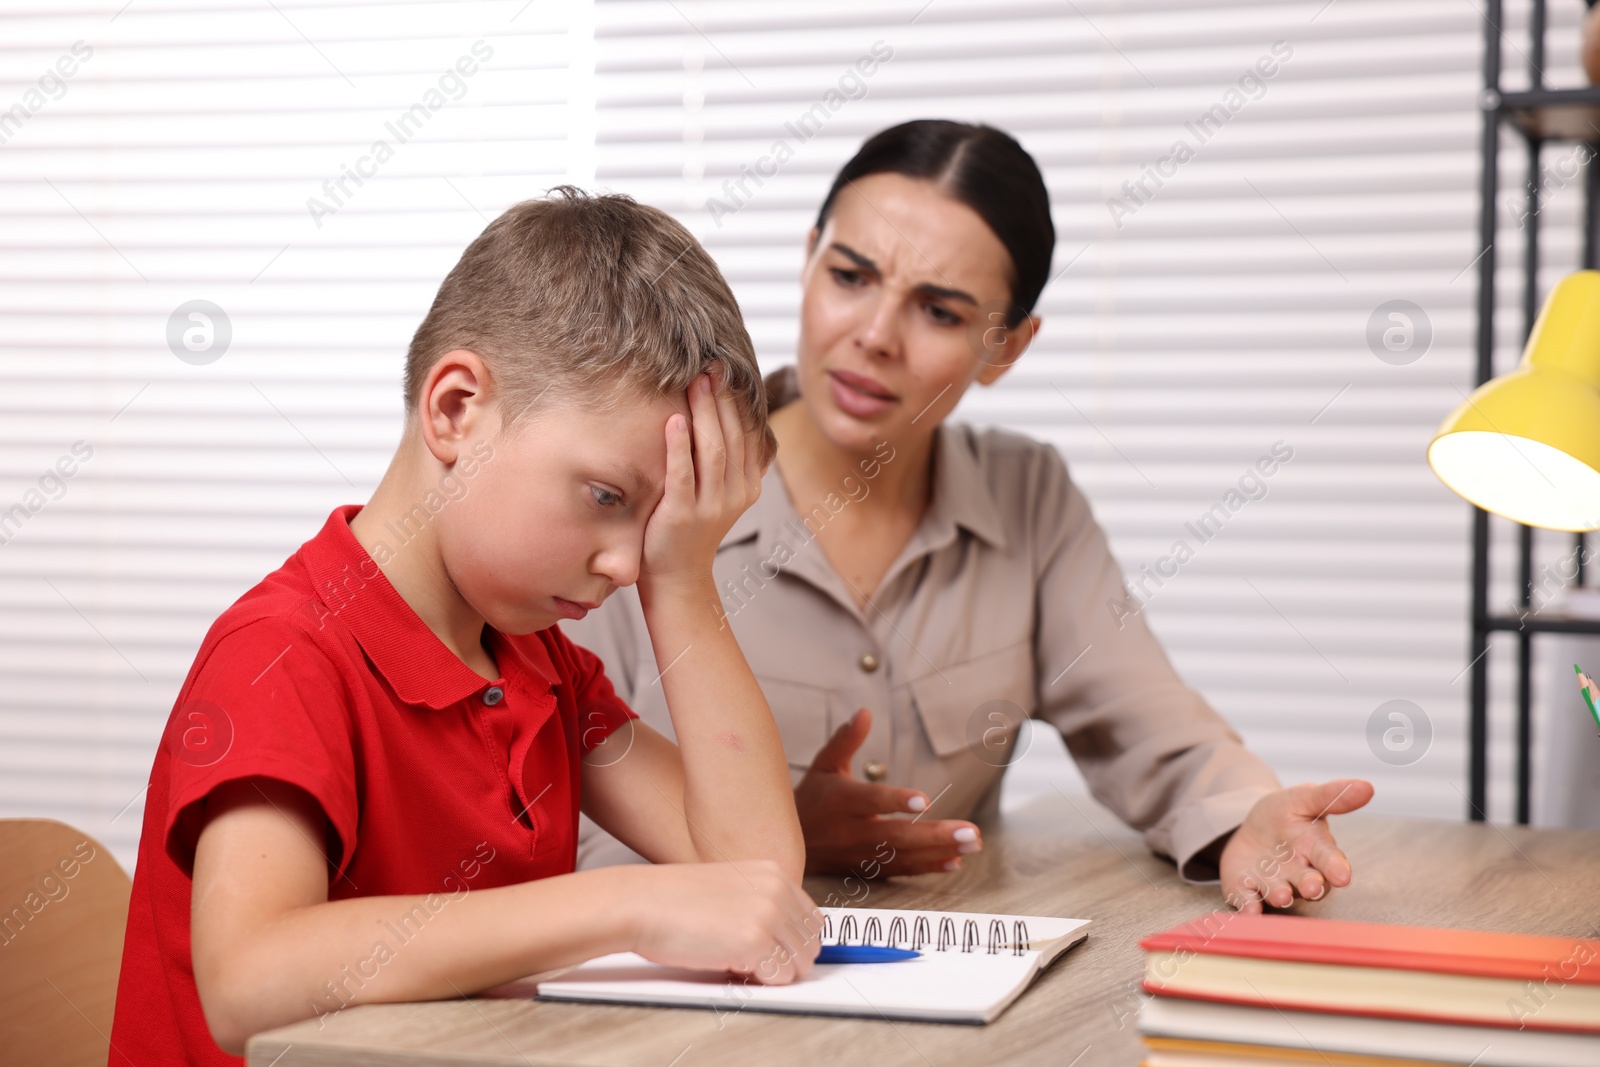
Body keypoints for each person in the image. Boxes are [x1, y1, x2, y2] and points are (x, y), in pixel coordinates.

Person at [567, 120, 1374, 911]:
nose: (875, 336)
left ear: (1008, 347)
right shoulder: (646, 481)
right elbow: (553, 819)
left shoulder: (1027, 495)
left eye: (941, 312)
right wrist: (773, 832)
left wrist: (1247, 814)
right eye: (850, 276)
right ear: (809, 256)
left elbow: (1154, 731)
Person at [110, 188, 820, 1064]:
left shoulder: (537, 661)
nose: (624, 562)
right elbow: (249, 977)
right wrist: (626, 904)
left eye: (652, 526)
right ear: (454, 411)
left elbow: (751, 875)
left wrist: (683, 578)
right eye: (606, 497)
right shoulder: (282, 656)